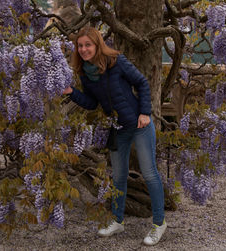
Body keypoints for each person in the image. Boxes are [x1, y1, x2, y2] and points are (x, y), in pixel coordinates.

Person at [63, 26, 166, 246]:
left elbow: (142, 82)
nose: (83, 49)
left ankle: (159, 224)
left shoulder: (117, 62)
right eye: (80, 46)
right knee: (118, 176)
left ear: (97, 44)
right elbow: (92, 103)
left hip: (139, 124)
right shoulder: (86, 73)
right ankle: (117, 221)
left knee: (149, 173)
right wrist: (73, 93)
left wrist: (145, 112)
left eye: (87, 45)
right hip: (118, 128)